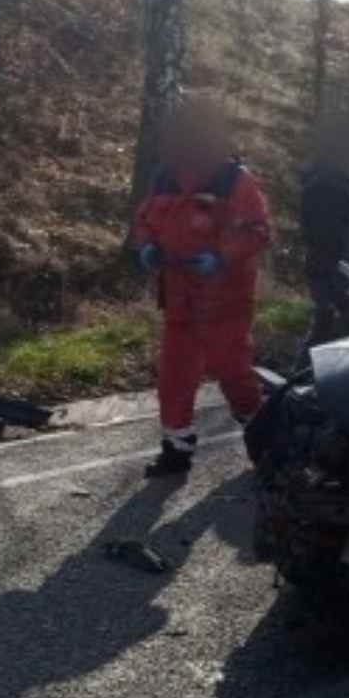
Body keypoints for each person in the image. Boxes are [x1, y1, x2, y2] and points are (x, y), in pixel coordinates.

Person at [130, 97, 274, 477]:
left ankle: (265, 439)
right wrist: (147, 246)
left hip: (225, 300)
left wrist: (221, 258)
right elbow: (145, 220)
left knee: (233, 374)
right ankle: (176, 451)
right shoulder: (164, 176)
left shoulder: (235, 181)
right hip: (180, 298)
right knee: (174, 378)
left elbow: (259, 231)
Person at [298, 112, 349, 350]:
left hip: (336, 270)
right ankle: (308, 369)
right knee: (327, 327)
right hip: (332, 271)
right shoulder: (328, 186)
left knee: (328, 327)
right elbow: (324, 235)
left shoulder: (340, 184)